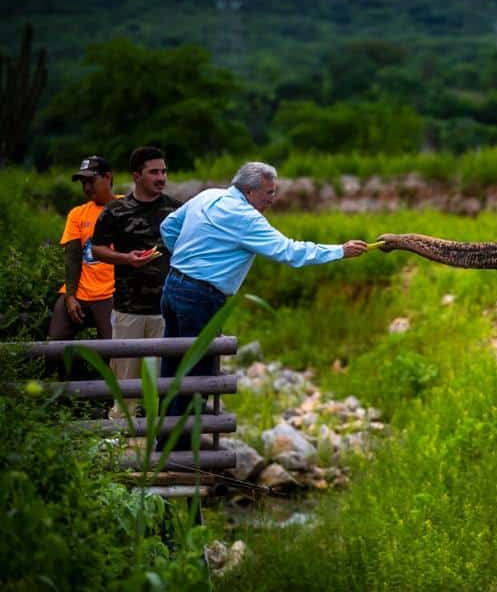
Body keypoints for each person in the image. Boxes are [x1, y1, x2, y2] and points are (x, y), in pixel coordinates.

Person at [158, 161, 367, 438]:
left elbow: (168, 226)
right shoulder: (247, 218)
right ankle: (177, 452)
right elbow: (290, 252)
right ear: (248, 191)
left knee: (172, 369)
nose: (273, 199)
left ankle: (162, 444)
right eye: (269, 192)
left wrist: (185, 256)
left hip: (173, 285)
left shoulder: (208, 195)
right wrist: (340, 251)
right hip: (200, 298)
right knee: (197, 375)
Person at [92, 146, 181, 417]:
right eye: (154, 172)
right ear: (136, 176)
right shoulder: (116, 210)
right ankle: (121, 446)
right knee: (125, 387)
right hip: (127, 310)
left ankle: (156, 448)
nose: (161, 177)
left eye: (163, 171)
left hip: (165, 310)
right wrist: (125, 258)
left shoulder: (175, 210)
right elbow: (96, 249)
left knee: (159, 387)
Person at [48, 156, 117, 350]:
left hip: (111, 294)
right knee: (54, 346)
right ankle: (60, 381)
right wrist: (70, 296)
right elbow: (72, 257)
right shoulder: (77, 214)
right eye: (83, 182)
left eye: (91, 181)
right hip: (80, 292)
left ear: (107, 178)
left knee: (115, 350)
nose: (86, 187)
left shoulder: (126, 207)